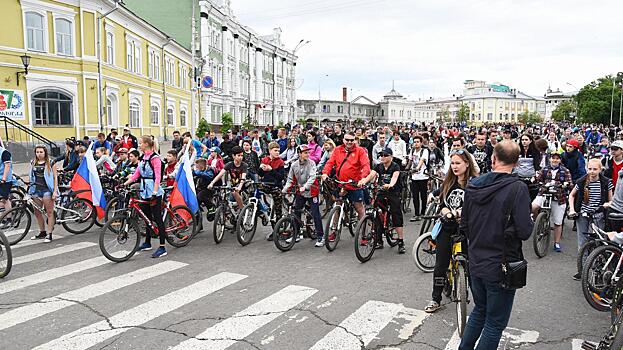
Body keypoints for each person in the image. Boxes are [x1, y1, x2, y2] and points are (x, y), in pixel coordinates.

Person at [457, 140, 533, 349]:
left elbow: (465, 225)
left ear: (493, 159)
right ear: (517, 163)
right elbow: (525, 231)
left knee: (480, 311)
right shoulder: (518, 189)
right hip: (502, 264)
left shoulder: (474, 185)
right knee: (494, 322)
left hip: (477, 260)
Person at [425, 148, 478, 314]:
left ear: (467, 163)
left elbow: (479, 205)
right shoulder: (447, 182)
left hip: (467, 230)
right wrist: (446, 211)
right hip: (447, 228)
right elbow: (441, 205)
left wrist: (462, 213)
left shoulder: (476, 183)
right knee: (440, 265)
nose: (455, 166)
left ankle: (478, 301)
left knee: (471, 266)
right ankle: (436, 299)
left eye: (458, 163)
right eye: (452, 163)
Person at [568, 158, 613, 280]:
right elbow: (571, 195)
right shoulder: (581, 181)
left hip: (598, 214)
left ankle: (598, 268)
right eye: (590, 169)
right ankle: (582, 270)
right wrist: (572, 209)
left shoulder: (606, 182)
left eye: (595, 169)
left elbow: (611, 199)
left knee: (598, 241)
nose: (592, 171)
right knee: (582, 243)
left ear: (600, 169)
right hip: (583, 214)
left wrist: (608, 204)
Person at [123, 136, 168, 258]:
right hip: (144, 190)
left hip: (154, 191)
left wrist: (154, 191)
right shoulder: (143, 158)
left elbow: (158, 176)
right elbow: (136, 174)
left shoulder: (155, 158)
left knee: (157, 219)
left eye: (141, 143)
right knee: (146, 217)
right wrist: (124, 184)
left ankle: (162, 247)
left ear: (147, 144)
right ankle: (147, 243)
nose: (139, 145)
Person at [360, 147, 406, 253]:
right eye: (381, 155)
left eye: (385, 155)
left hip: (393, 191)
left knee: (396, 215)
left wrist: (390, 185)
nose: (383, 157)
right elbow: (371, 175)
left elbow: (395, 177)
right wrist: (364, 181)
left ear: (391, 157)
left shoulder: (395, 166)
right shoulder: (378, 166)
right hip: (381, 191)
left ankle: (400, 241)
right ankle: (379, 240)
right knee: (376, 213)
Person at [321, 131, 371, 223]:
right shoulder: (338, 150)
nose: (349, 142)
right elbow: (330, 163)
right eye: (347, 140)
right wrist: (325, 173)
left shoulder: (360, 151)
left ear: (354, 140)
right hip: (341, 184)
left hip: (354, 184)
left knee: (359, 208)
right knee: (337, 205)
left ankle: (363, 230)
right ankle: (334, 229)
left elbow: (366, 165)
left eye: (351, 140)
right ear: (343, 140)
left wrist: (363, 178)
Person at [282, 144, 325, 246]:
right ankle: (296, 234)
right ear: (299, 154)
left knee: (315, 214)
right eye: (305, 153)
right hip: (300, 192)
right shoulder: (294, 165)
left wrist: (305, 187)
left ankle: (320, 236)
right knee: (296, 212)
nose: (308, 154)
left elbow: (312, 177)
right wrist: (285, 189)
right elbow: (290, 180)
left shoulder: (312, 163)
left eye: (308, 152)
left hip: (311, 191)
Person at [532, 150, 572, 252]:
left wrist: (565, 184)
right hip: (544, 193)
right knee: (533, 207)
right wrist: (534, 179)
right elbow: (538, 178)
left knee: (558, 222)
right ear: (549, 159)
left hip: (559, 197)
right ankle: (539, 223)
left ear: (560, 160)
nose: (555, 160)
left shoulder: (565, 170)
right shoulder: (544, 169)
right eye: (553, 158)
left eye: (557, 158)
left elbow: (570, 182)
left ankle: (557, 243)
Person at [29, 146, 58, 243]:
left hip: (47, 190)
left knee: (49, 213)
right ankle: (42, 232)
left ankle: (49, 234)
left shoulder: (50, 162)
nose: (39, 154)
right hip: (36, 190)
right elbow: (32, 176)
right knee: (37, 213)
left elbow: (55, 177)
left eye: (41, 152)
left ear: (45, 152)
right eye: (37, 152)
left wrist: (54, 191)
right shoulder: (33, 162)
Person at [208, 146, 247, 210]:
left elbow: (243, 178)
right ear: (233, 156)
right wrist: (212, 183)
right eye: (238, 155)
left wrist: (239, 187)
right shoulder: (229, 164)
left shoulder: (244, 165)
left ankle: (242, 209)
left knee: (235, 193)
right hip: (232, 185)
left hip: (242, 185)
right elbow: (220, 174)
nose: (240, 157)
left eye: (241, 155)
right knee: (225, 197)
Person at [409, 135, 429, 222]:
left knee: (423, 196)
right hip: (414, 178)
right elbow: (410, 161)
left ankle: (423, 212)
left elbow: (421, 161)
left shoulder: (424, 151)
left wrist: (417, 168)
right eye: (415, 142)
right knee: (415, 196)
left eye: (418, 142)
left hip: (423, 177)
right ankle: (417, 214)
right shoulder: (412, 150)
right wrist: (406, 168)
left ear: (421, 143)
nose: (416, 144)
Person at [0, 143, 13, 215]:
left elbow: (7, 166)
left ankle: (8, 219)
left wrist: (3, 179)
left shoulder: (4, 152)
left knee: (4, 200)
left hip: (5, 180)